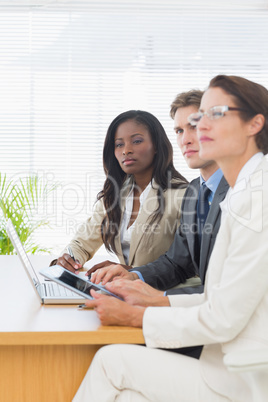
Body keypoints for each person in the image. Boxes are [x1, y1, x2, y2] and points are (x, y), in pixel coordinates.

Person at [73, 75, 268, 401]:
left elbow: (222, 316)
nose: (199, 127)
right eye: (195, 118)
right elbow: (220, 295)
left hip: (243, 375)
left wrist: (139, 315)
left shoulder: (256, 198)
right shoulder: (241, 192)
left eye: (216, 113)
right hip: (226, 360)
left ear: (254, 124)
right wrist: (154, 298)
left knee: (111, 361)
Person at [88, 90, 229, 301]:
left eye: (194, 127)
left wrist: (159, 300)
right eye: (179, 131)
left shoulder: (244, 190)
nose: (186, 140)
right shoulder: (195, 192)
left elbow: (231, 289)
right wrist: (132, 277)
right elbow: (177, 263)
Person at [52, 110, 187, 271]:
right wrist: (69, 260)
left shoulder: (182, 195)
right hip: (125, 292)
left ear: (156, 145)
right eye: (119, 144)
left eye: (136, 141)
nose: (126, 150)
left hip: (163, 293)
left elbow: (188, 266)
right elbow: (82, 243)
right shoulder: (115, 194)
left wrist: (131, 272)